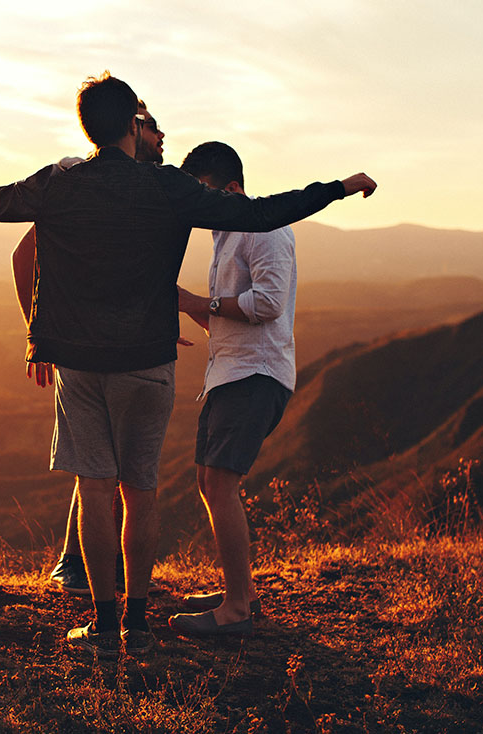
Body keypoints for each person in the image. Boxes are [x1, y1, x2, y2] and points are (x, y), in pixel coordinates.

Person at [0, 73, 375, 658]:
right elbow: (261, 213)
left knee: (95, 491)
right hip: (148, 360)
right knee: (142, 494)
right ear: (133, 125)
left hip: (82, 362)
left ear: (88, 125)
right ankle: (138, 623)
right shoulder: (166, 187)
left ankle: (105, 626)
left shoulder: (59, 184)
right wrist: (337, 187)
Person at [11, 101, 166, 596]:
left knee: (104, 466)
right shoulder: (80, 182)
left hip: (118, 344)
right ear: (130, 129)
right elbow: (24, 254)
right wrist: (39, 334)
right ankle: (79, 568)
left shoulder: (140, 190)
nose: (164, 138)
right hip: (85, 348)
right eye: (153, 127)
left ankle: (91, 573)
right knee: (100, 468)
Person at [167, 142, 299, 637]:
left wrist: (201, 300)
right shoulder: (226, 235)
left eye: (201, 191)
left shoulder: (262, 228)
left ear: (231, 187)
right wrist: (185, 305)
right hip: (230, 372)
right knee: (209, 481)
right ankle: (238, 590)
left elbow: (266, 304)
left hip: (256, 375)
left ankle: (237, 609)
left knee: (220, 484)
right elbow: (226, 315)